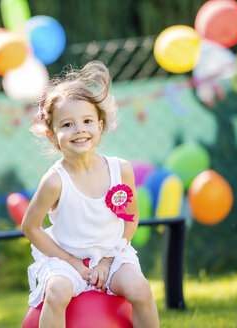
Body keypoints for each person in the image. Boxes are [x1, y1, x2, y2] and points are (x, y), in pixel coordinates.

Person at [21, 61, 159, 328]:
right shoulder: (54, 181)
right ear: (52, 136)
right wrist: (72, 262)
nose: (79, 129)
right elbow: (30, 226)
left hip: (112, 254)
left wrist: (108, 260)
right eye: (68, 125)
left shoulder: (121, 170)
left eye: (87, 121)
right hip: (66, 259)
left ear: (100, 125)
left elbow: (130, 219)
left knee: (140, 289)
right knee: (57, 292)